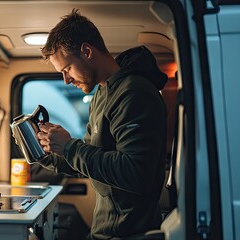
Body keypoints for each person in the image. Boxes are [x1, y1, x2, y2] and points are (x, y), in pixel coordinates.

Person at [37, 9, 168, 239]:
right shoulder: (102, 94)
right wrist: (47, 151)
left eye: (67, 69)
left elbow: (135, 172)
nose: (66, 80)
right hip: (105, 230)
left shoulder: (134, 92)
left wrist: (69, 146)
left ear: (87, 51)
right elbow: (90, 159)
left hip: (128, 233)